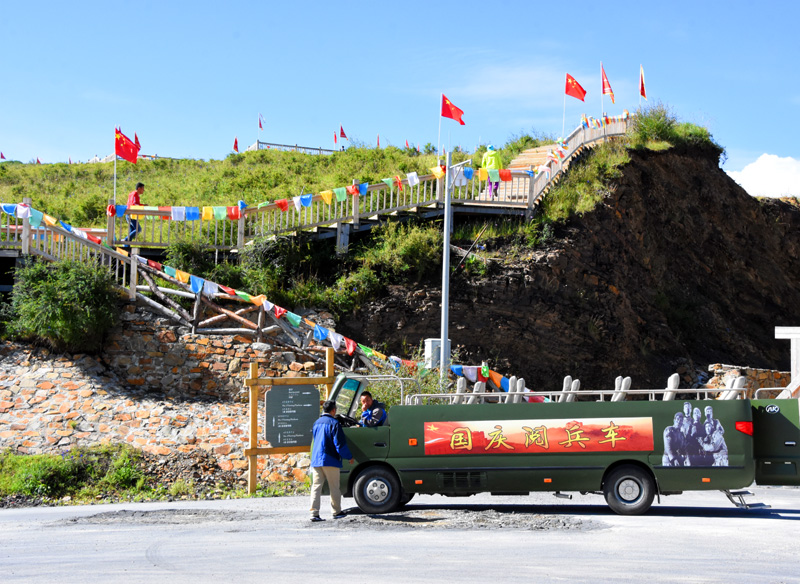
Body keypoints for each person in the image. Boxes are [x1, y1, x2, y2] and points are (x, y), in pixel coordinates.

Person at [309, 400, 354, 522]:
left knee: (316, 487)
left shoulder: (316, 423)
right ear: (333, 410)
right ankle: (336, 511)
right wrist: (349, 457)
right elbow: (339, 444)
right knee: (334, 487)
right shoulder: (334, 423)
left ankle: (314, 513)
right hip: (330, 459)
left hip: (316, 460)